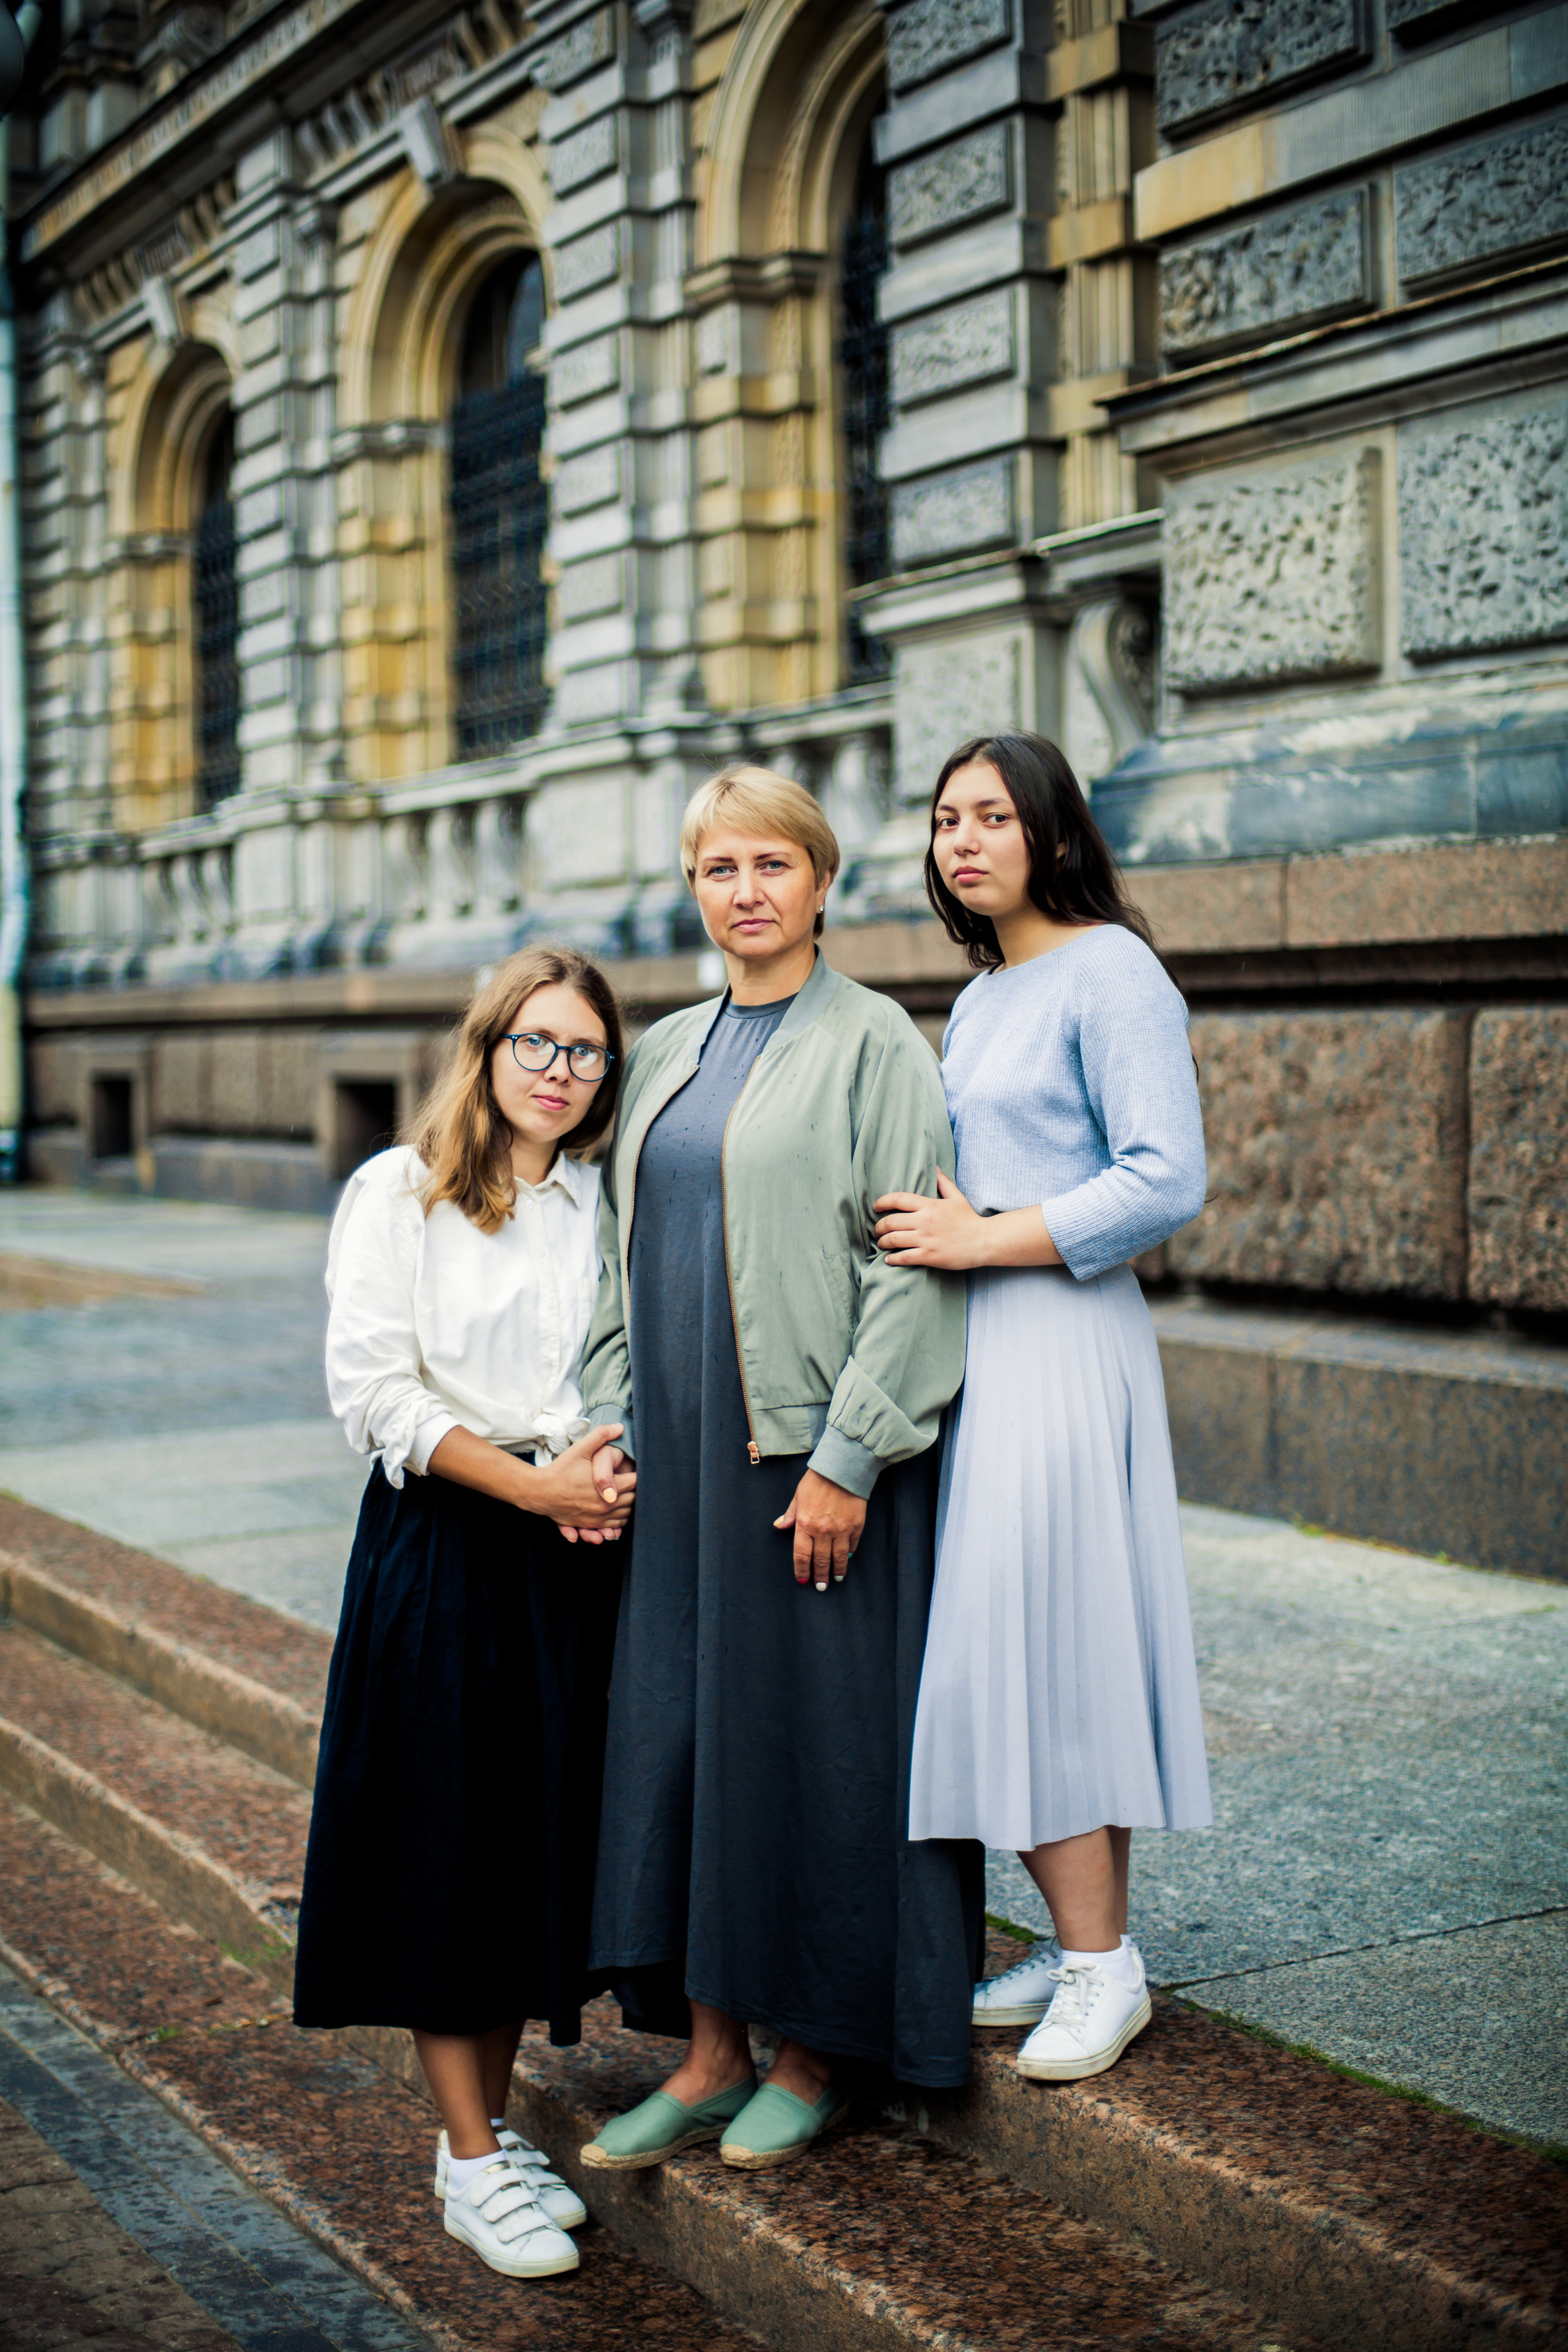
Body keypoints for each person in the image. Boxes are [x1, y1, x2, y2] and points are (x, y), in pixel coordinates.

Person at [577, 764, 979, 2177]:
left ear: (818, 881)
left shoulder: (877, 1044)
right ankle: (706, 2053)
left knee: (816, 1758)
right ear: (692, 890)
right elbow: (615, 1260)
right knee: (688, 1749)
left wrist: (848, 1459)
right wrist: (604, 1419)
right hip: (679, 1474)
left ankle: (813, 2055)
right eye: (716, 871)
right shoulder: (671, 1047)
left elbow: (914, 1269)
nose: (744, 893)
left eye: (770, 866)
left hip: (804, 1472)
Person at [293, 946, 635, 2281]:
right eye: (535, 1044)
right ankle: (473, 2164)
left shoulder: (600, 1202)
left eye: (585, 1052)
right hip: (445, 1546)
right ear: (486, 1048)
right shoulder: (401, 1192)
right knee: (446, 1851)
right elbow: (378, 1397)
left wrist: (597, 1470)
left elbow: (620, 1364)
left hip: (569, 1550)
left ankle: (475, 2138)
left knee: (520, 1858)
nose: (558, 1072)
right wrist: (534, 1484)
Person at [874, 731, 1212, 2084]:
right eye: (946, 819)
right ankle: (1085, 1945)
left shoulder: (1110, 971)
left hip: (1063, 1340)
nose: (962, 841)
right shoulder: (985, 993)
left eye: (991, 818)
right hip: (985, 1345)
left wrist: (987, 1237)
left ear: (1051, 835)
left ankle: (1101, 1965)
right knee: (1015, 1645)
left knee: (1041, 1643)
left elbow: (1162, 1178)